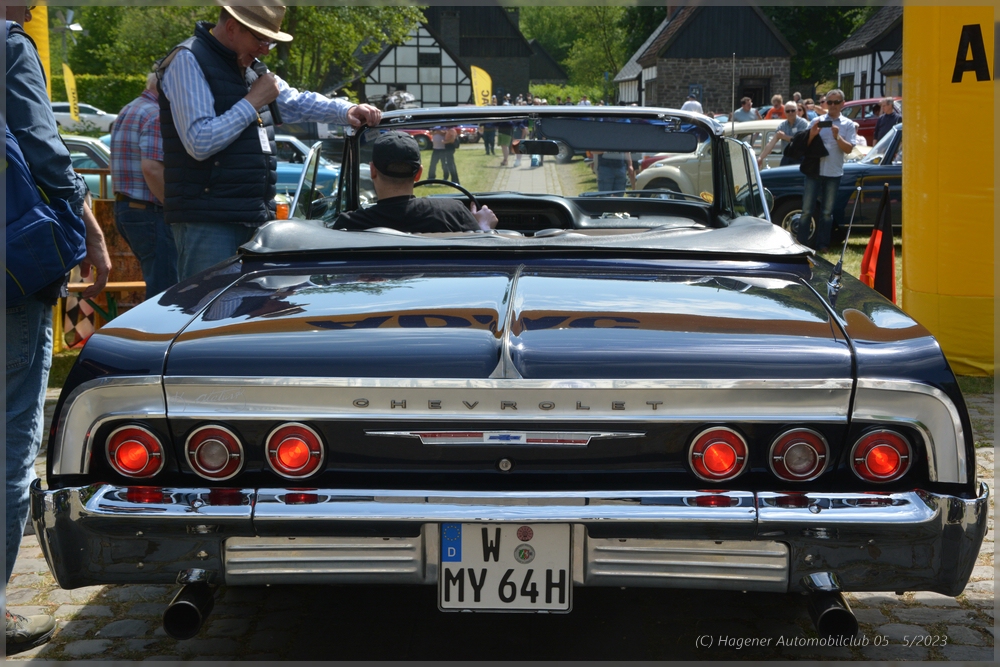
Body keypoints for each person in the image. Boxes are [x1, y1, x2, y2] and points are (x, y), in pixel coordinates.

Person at [6, 5, 111, 653]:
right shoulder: (9, 46)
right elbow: (46, 152)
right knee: (9, 440)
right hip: (9, 277)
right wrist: (89, 230)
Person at [157, 4, 382, 281]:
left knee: (248, 306)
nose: (265, 50)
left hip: (251, 216)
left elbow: (295, 102)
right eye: (261, 40)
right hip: (207, 222)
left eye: (270, 43)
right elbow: (200, 141)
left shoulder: (248, 67)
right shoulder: (188, 60)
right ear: (232, 28)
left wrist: (346, 111)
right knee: (209, 305)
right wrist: (253, 101)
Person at [335, 132, 497, 233]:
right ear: (418, 173)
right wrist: (484, 227)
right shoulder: (453, 212)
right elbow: (483, 260)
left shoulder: (348, 224)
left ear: (373, 171)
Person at [111, 72, 178, 299]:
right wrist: (175, 211)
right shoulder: (156, 114)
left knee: (159, 284)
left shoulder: (130, 108)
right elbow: (152, 169)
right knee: (165, 292)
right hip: (150, 212)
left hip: (128, 208)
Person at [798, 89, 860, 251]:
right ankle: (801, 244)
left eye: (836, 102)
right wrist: (812, 134)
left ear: (842, 104)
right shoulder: (816, 121)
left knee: (826, 212)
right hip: (814, 171)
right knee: (806, 210)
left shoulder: (848, 124)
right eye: (829, 102)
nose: (832, 105)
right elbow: (804, 146)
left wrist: (837, 136)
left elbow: (848, 149)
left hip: (833, 172)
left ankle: (823, 244)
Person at [758, 102, 809, 167]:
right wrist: (760, 158)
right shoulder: (782, 126)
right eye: (788, 111)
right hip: (786, 158)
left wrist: (784, 137)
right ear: (784, 113)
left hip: (800, 158)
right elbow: (771, 143)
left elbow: (800, 141)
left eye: (793, 110)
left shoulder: (802, 123)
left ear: (796, 111)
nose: (790, 113)